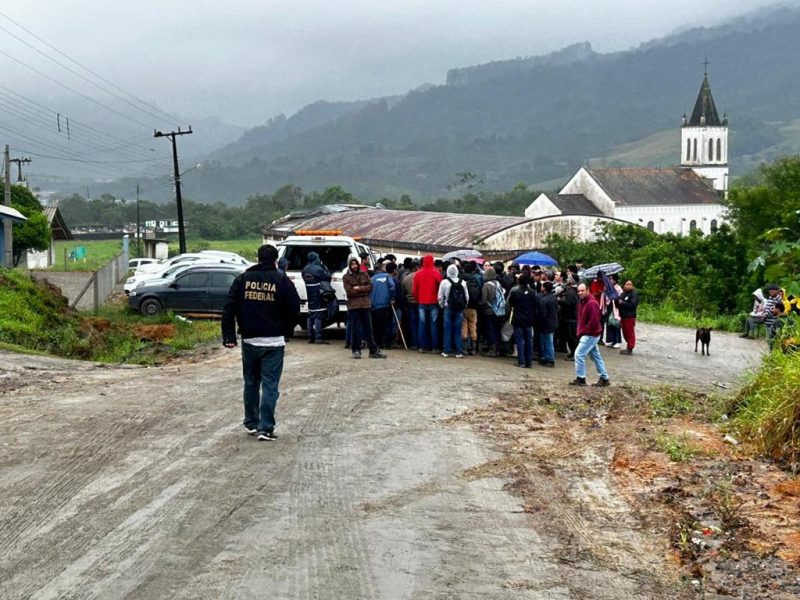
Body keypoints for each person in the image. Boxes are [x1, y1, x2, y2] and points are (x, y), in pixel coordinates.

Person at [222, 244, 300, 441]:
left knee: (251, 382)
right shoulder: (282, 280)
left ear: (258, 258)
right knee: (270, 385)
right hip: (274, 341)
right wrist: (287, 330)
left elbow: (229, 308)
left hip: (250, 340)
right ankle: (265, 428)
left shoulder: (243, 279)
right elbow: (294, 308)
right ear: (275, 260)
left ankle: (251, 422)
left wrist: (229, 336)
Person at [343, 256, 387, 359]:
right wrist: (363, 290)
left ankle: (373, 350)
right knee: (355, 329)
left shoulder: (364, 274)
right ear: (349, 265)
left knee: (369, 329)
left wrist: (359, 288)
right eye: (352, 264)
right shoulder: (346, 277)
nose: (354, 266)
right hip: (354, 306)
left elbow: (370, 287)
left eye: (355, 264)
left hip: (365, 305)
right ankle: (356, 350)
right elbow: (349, 292)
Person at [570, 282, 610, 387]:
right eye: (578, 291)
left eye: (582, 290)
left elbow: (594, 321)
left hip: (590, 334)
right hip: (590, 333)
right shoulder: (583, 302)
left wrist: (583, 331)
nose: (580, 292)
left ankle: (581, 378)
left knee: (578, 354)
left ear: (588, 290)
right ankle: (604, 378)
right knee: (596, 356)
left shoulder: (591, 303)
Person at [412, 255, 443, 353]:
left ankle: (422, 347)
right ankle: (434, 347)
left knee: (422, 325)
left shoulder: (418, 274)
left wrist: (418, 299)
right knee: (433, 325)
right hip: (434, 302)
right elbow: (441, 287)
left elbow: (414, 290)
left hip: (421, 302)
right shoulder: (436, 273)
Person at [438, 264, 469, 357]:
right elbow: (466, 297)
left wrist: (442, 305)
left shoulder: (444, 282)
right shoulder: (463, 282)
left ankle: (446, 351)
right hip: (459, 309)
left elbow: (440, 297)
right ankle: (459, 351)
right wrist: (464, 306)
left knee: (447, 330)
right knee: (457, 330)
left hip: (448, 308)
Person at [301, 251, 331, 344]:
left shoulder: (305, 269)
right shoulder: (318, 269)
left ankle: (310, 337)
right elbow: (327, 277)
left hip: (309, 293)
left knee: (310, 315)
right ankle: (318, 337)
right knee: (318, 315)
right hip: (318, 293)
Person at [508, 272, 537, 368]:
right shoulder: (533, 292)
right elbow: (535, 304)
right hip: (529, 319)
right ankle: (529, 361)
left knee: (519, 340)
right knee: (529, 340)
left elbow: (511, 303)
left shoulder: (515, 292)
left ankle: (521, 361)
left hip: (518, 318)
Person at [370, 261, 396, 349]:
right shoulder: (387, 276)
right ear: (381, 268)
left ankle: (378, 344)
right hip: (386, 304)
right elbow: (392, 287)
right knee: (387, 325)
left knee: (377, 326)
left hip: (375, 306)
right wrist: (392, 298)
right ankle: (386, 344)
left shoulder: (371, 279)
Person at [461, 261, 482, 355]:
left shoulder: (461, 278)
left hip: (464, 306)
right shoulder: (476, 279)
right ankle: (473, 349)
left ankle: (465, 348)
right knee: (473, 327)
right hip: (474, 307)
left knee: (464, 327)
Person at [558, 274, 580, 360]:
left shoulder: (571, 292)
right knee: (569, 337)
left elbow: (568, 303)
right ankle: (573, 352)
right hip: (569, 317)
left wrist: (559, 301)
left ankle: (575, 354)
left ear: (571, 281)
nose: (567, 279)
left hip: (570, 318)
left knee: (572, 337)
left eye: (568, 278)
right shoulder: (571, 290)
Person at [538, 281, 559, 367]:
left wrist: (541, 323)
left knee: (548, 341)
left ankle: (549, 359)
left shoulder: (544, 300)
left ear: (544, 288)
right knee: (548, 341)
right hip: (553, 322)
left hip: (547, 324)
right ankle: (546, 357)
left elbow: (543, 314)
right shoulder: (554, 297)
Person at [618, 280, 639, 355]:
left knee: (630, 333)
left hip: (630, 316)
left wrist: (622, 302)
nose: (628, 286)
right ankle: (628, 347)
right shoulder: (623, 294)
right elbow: (618, 304)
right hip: (623, 316)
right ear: (624, 285)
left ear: (632, 286)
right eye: (627, 284)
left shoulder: (634, 294)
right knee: (625, 333)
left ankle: (630, 348)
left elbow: (632, 305)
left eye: (630, 284)